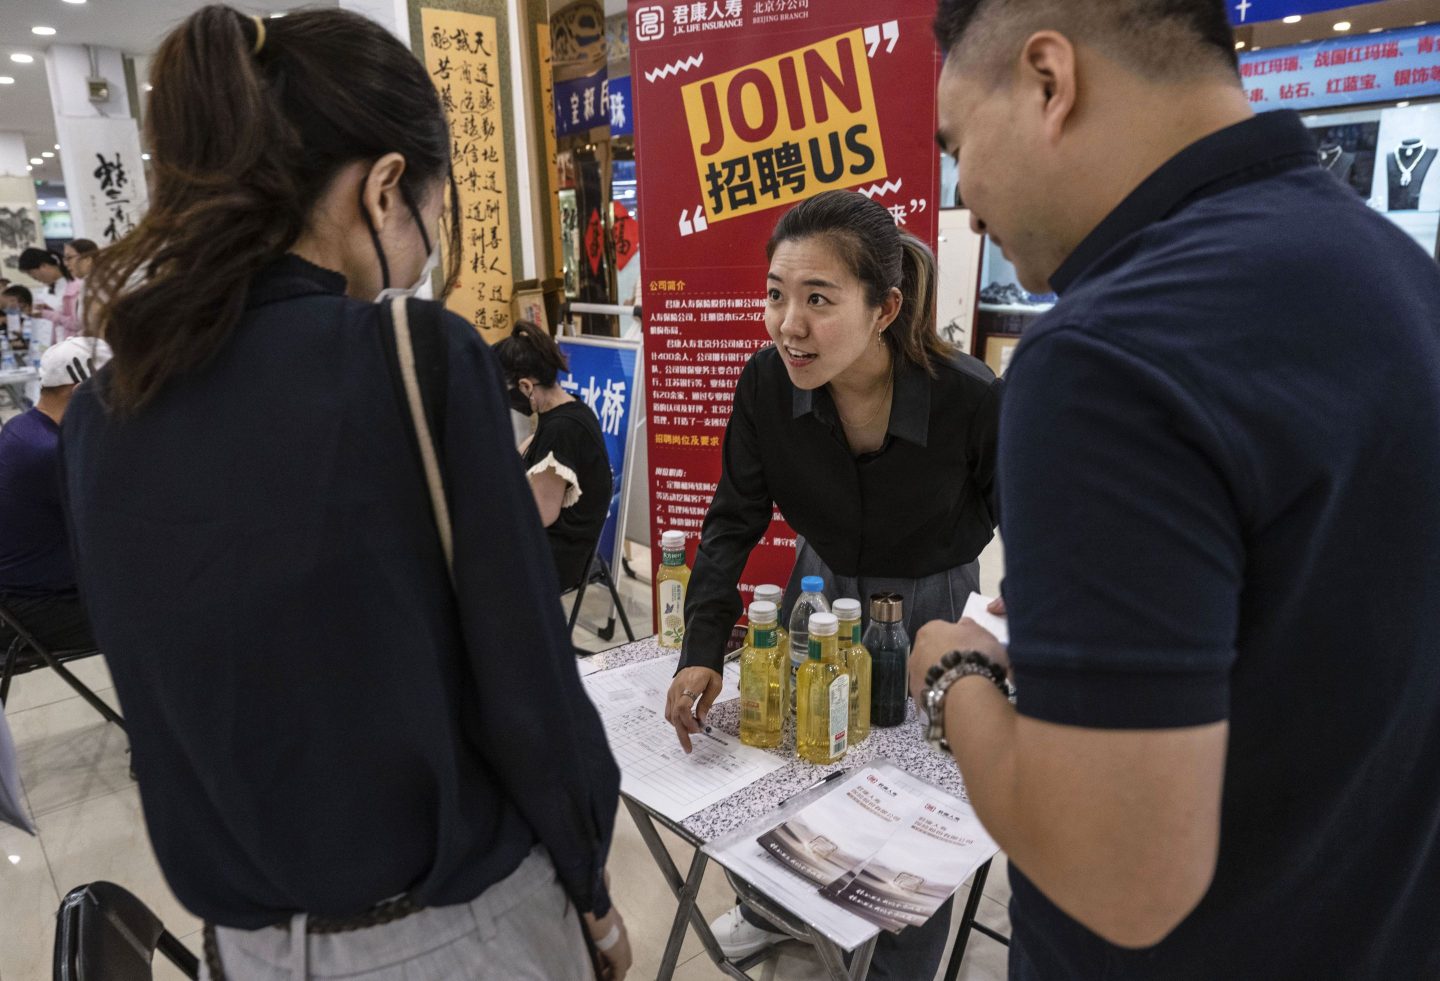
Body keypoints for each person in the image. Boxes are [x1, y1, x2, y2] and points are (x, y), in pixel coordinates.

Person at [60, 7, 629, 980]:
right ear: (385, 187)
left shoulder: (106, 408)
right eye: (438, 216)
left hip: (246, 946)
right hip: (452, 938)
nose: (430, 248)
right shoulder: (416, 356)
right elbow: (526, 679)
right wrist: (593, 887)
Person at [913, 1, 1440, 979]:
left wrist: (955, 679)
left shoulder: (1102, 357)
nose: (967, 200)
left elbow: (1121, 876)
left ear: (1048, 81)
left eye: (957, 146)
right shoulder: (1399, 273)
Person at [664, 189, 1002, 977]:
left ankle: (896, 963)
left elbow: (1038, 534)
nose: (789, 324)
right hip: (816, 594)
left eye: (819, 299)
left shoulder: (969, 397)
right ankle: (770, 909)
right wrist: (702, 647)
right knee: (789, 765)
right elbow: (733, 519)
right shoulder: (765, 383)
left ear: (885, 308)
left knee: (915, 810)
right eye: (776, 295)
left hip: (931, 609)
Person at [0, 337, 111, 654]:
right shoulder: (49, 451)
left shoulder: (23, 426)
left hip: (21, 596)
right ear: (80, 393)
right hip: (34, 610)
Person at [493, 321, 613, 592]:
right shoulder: (568, 410)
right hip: (555, 545)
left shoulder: (562, 430)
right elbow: (525, 450)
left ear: (526, 386)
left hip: (556, 558)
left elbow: (540, 515)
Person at [55, 238, 100, 340]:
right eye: (65, 259)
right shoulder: (86, 284)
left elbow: (96, 327)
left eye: (69, 258)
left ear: (88, 260)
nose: (66, 264)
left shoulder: (98, 285)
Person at [16, 247, 72, 326]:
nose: (32, 277)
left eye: (30, 272)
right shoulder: (46, 290)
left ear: (43, 266)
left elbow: (75, 321)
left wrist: (48, 314)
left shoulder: (73, 286)